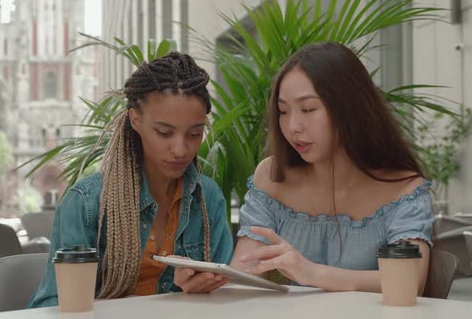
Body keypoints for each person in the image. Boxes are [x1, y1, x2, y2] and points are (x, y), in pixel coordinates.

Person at [29, 52, 233, 307]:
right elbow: (51, 306)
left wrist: (202, 289)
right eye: (164, 132)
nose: (180, 149)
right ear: (135, 120)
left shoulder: (208, 199)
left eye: (194, 134)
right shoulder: (86, 204)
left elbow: (226, 298)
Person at [231, 42, 435, 293]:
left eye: (308, 109)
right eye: (283, 111)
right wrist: (210, 280)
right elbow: (243, 271)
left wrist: (312, 273)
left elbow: (409, 281)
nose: (293, 126)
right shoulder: (272, 177)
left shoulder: (403, 190)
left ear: (350, 108)